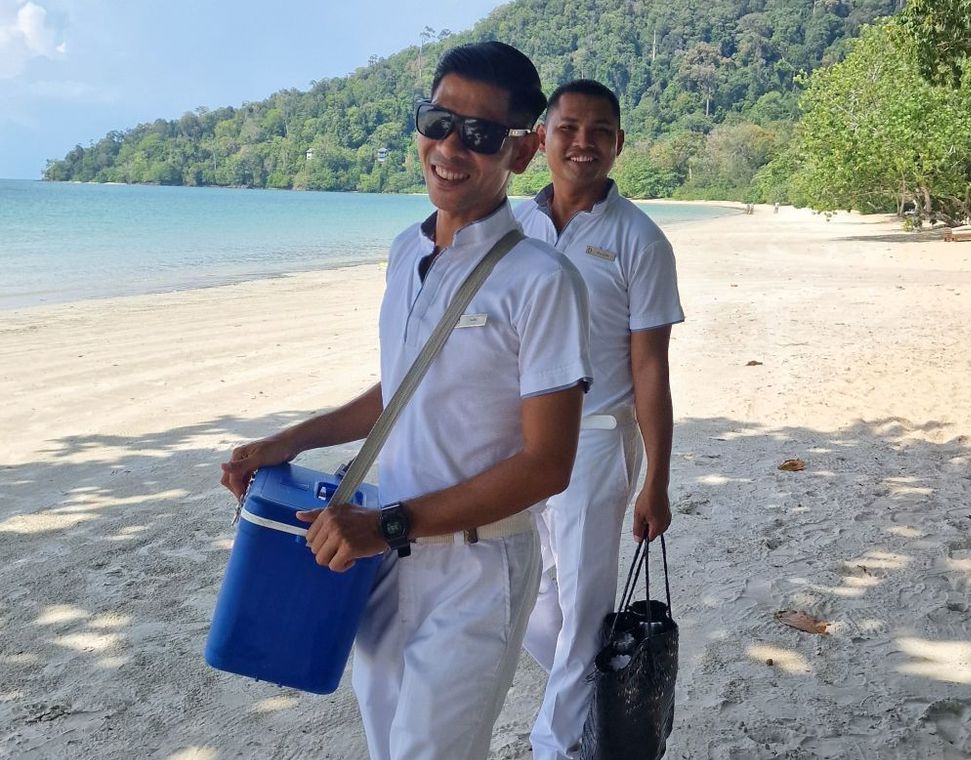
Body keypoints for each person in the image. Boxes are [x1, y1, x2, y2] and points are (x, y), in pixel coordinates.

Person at [220, 43, 593, 760]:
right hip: (381, 555)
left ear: (522, 152)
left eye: (480, 133)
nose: (451, 147)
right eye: (438, 122)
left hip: (475, 566)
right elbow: (403, 388)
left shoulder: (543, 282)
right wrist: (289, 441)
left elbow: (548, 464)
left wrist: (387, 524)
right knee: (388, 743)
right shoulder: (405, 252)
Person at [514, 79, 684, 760]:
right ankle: (588, 696)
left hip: (596, 442)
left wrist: (657, 481)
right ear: (542, 138)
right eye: (569, 128)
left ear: (618, 144)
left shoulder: (640, 240)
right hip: (515, 442)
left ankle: (556, 746)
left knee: (584, 606)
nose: (583, 143)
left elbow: (651, 370)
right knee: (525, 589)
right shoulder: (513, 227)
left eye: (599, 131)